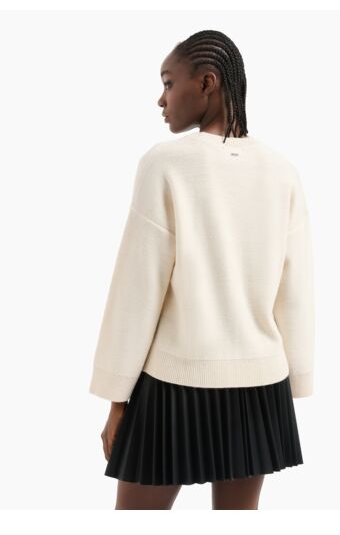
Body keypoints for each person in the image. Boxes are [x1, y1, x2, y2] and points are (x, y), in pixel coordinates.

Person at [89, 29, 315, 510]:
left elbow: (137, 288)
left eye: (169, 83)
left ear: (207, 82)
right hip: (261, 385)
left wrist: (116, 398)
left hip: (175, 381)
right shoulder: (282, 170)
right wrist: (298, 376)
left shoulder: (165, 163)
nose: (161, 99)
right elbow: (295, 289)